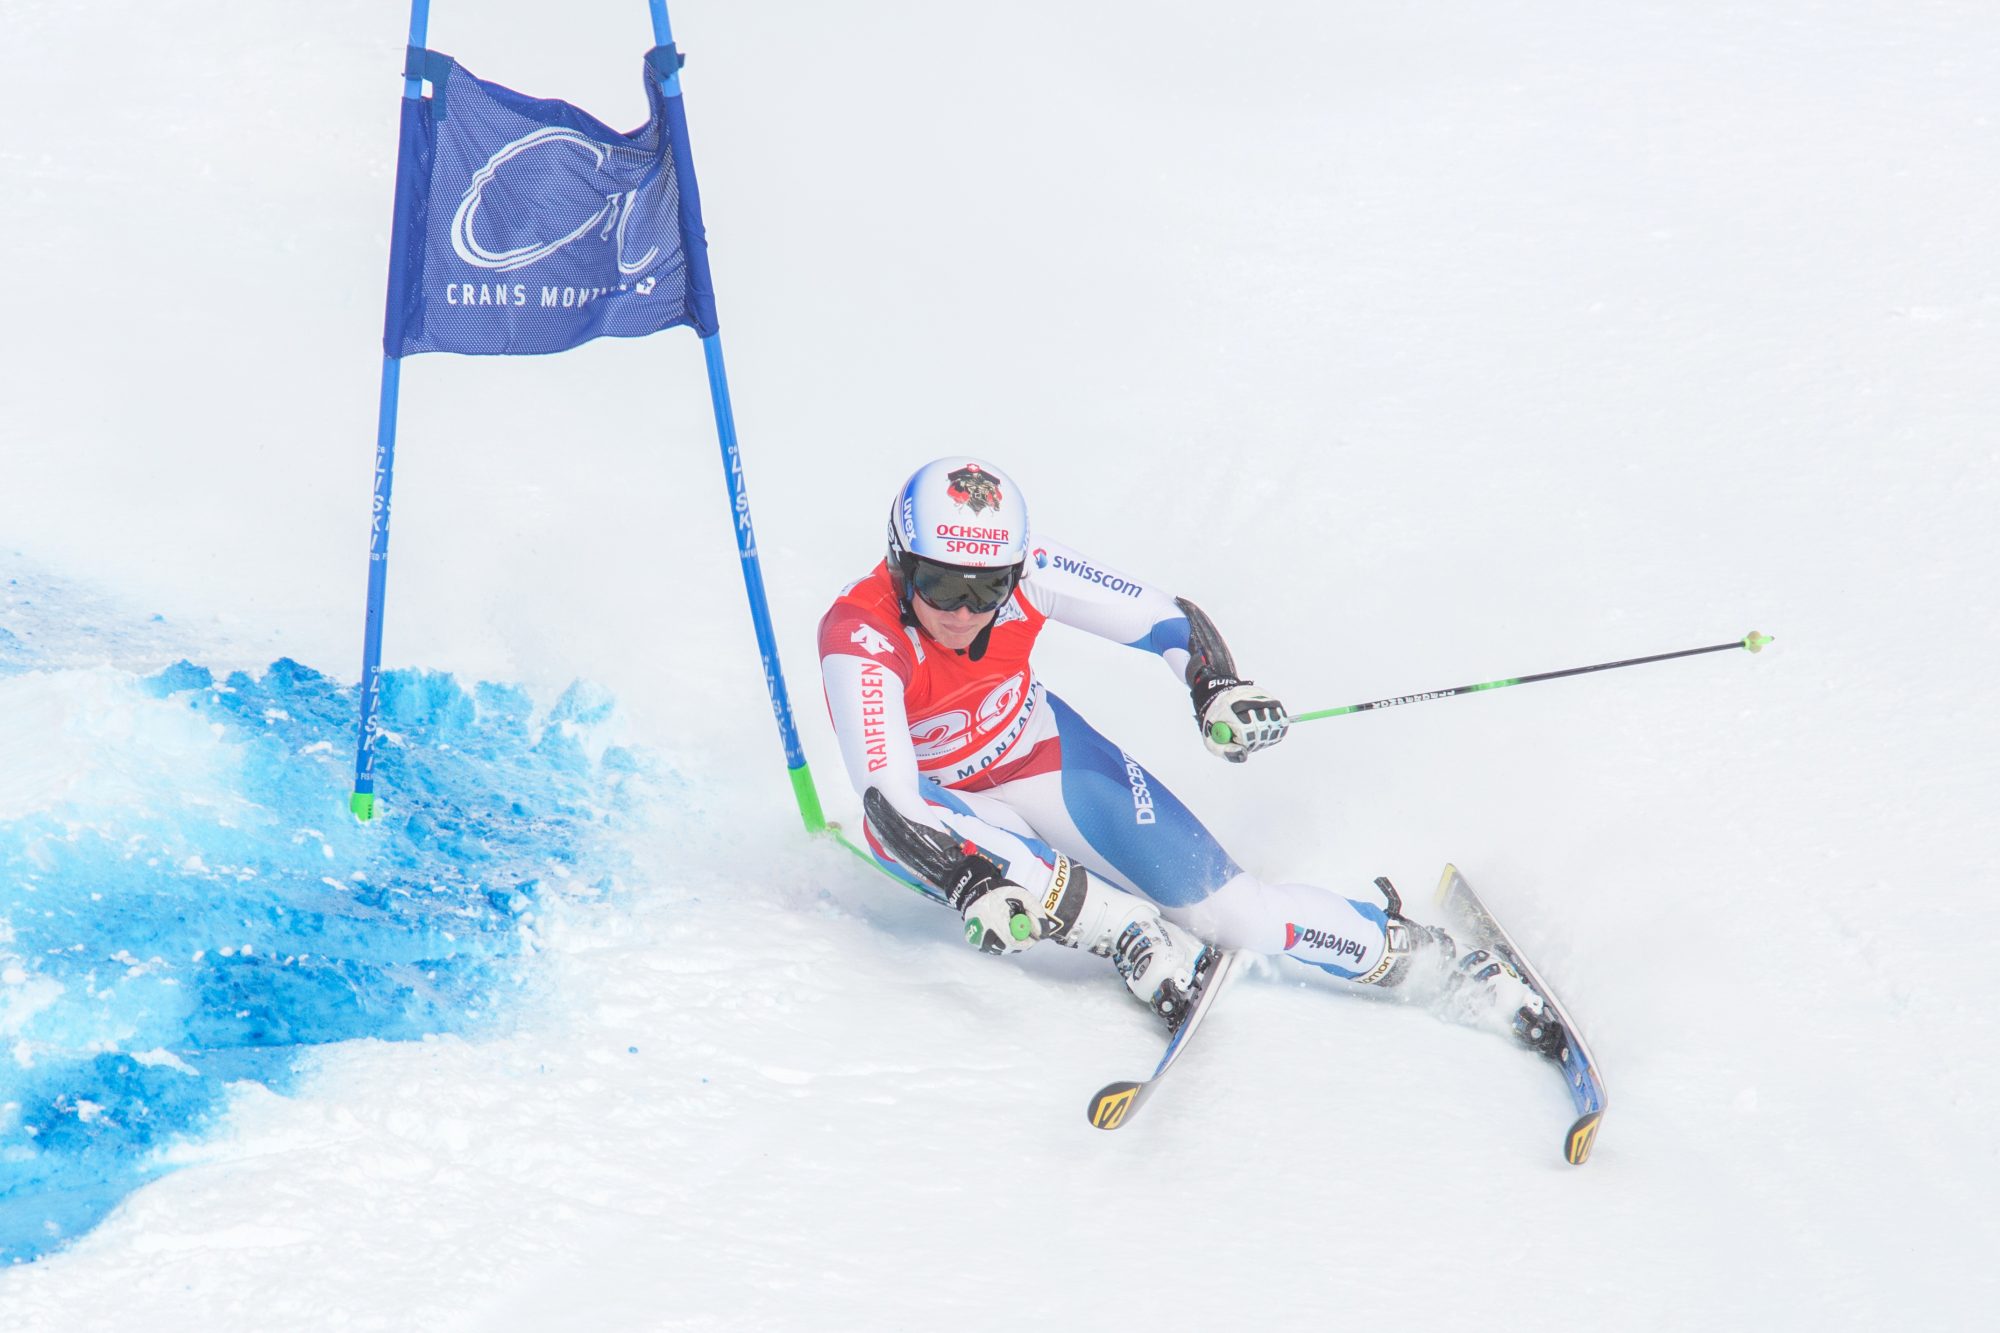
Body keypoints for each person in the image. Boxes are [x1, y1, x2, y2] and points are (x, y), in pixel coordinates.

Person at [817, 457, 1538, 1033]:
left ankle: (1415, 954)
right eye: (941, 585)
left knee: (1238, 914)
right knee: (926, 830)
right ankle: (1127, 932)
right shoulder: (861, 635)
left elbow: (1165, 618)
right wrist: (968, 882)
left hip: (1043, 755)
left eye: (988, 589)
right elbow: (890, 801)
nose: (965, 612)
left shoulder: (1034, 568)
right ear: (901, 565)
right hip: (943, 805)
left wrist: (1213, 686)